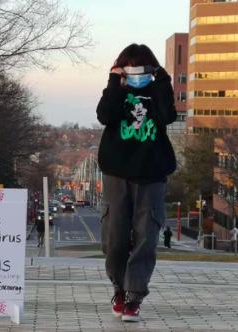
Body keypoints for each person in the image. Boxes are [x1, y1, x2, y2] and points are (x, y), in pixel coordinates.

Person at [97, 44, 177, 322]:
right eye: (131, 69)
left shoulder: (157, 91)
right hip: (116, 174)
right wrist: (114, 81)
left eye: (142, 70)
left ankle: (134, 296)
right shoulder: (117, 91)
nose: (136, 75)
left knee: (146, 238)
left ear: (151, 70)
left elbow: (168, 115)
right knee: (114, 239)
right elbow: (105, 116)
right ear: (122, 69)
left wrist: (163, 79)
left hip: (152, 175)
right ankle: (119, 289)